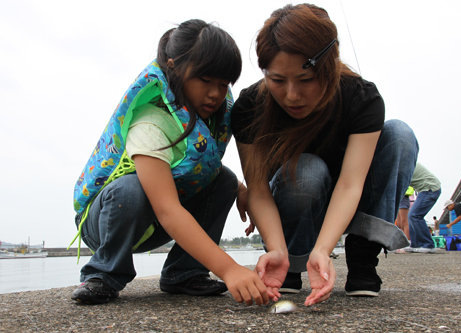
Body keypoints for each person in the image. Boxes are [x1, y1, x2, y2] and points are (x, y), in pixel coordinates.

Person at [69, 19, 271, 306]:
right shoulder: (150, 120)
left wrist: (239, 188)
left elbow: (198, 169)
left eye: (223, 84)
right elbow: (167, 209)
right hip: (107, 221)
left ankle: (184, 273)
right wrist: (229, 269)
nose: (215, 93)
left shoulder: (209, 113)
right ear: (174, 68)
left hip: (154, 219)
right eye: (205, 80)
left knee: (224, 180)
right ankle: (103, 273)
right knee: (130, 189)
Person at [231, 4, 418, 305]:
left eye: (306, 80)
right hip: (295, 203)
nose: (292, 95)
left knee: (400, 135)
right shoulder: (250, 107)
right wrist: (277, 249)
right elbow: (259, 189)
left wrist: (323, 250)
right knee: (307, 169)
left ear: (329, 65)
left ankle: (362, 257)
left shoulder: (361, 98)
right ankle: (289, 261)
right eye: (277, 80)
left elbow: (350, 184)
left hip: (349, 202)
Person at [405, 162, 441, 253]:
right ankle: (416, 245)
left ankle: (428, 245)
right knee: (412, 216)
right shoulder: (405, 160)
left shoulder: (402, 163)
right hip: (425, 189)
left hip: (429, 188)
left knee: (415, 215)